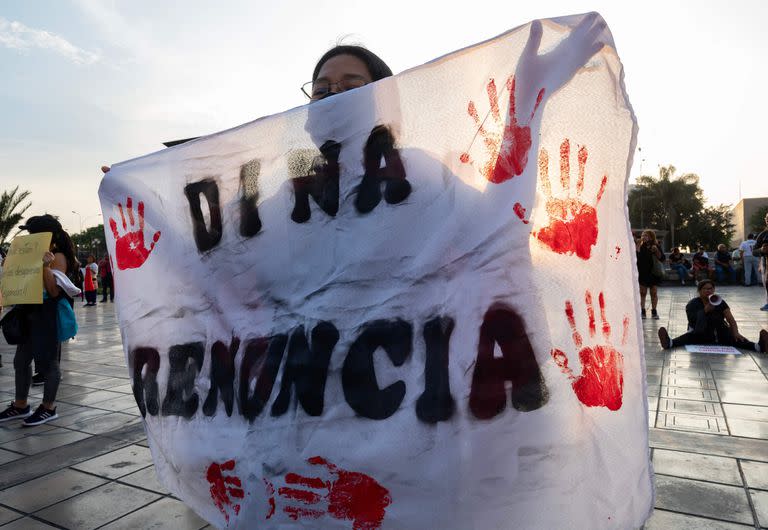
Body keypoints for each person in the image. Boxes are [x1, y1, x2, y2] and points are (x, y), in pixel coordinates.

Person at [0, 214, 79, 426]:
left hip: (47, 313)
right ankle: (20, 404)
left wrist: (45, 267)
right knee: (21, 360)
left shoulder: (58, 256)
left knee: (48, 363)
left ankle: (48, 407)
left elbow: (54, 291)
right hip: (28, 310)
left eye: (32, 233)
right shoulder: (29, 253)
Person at [658, 279, 768, 353]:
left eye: (711, 288)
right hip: (700, 332)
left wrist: (736, 332)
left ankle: (759, 346)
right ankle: (669, 343)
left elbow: (731, 319)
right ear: (699, 291)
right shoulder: (692, 304)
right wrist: (705, 311)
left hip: (720, 332)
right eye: (706, 289)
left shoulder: (720, 302)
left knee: (736, 339)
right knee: (688, 337)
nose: (709, 291)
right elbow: (693, 321)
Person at [636, 230, 664, 319]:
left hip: (653, 273)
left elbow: (662, 258)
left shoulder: (655, 246)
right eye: (643, 235)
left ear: (651, 237)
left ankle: (654, 311)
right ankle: (642, 310)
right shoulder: (640, 245)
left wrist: (656, 251)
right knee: (642, 293)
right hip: (642, 272)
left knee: (654, 293)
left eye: (646, 235)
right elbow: (636, 258)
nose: (643, 237)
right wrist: (637, 247)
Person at [754, 212, 768, 311]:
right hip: (766, 264)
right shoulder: (763, 234)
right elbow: (754, 251)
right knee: (767, 284)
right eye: (767, 218)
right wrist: (761, 250)